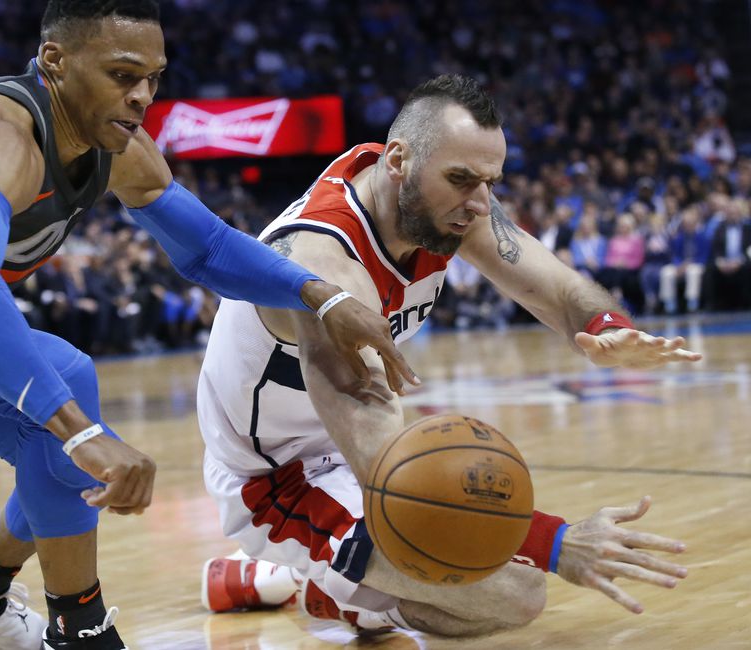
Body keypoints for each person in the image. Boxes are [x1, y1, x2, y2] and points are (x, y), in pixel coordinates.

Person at [0, 2, 413, 649]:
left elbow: (203, 248)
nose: (142, 96)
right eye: (122, 75)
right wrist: (80, 434)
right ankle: (77, 630)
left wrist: (322, 296)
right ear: (53, 60)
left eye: (152, 79)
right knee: (59, 408)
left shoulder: (118, 147)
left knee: (68, 386)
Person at [197, 75, 699, 638]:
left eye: (490, 182)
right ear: (398, 161)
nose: (480, 204)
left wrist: (606, 327)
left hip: (352, 455)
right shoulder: (325, 263)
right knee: (514, 595)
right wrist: (553, 542)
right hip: (275, 479)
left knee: (489, 572)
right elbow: (391, 473)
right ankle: (325, 586)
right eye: (462, 180)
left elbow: (558, 287)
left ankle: (306, 581)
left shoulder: (438, 206)